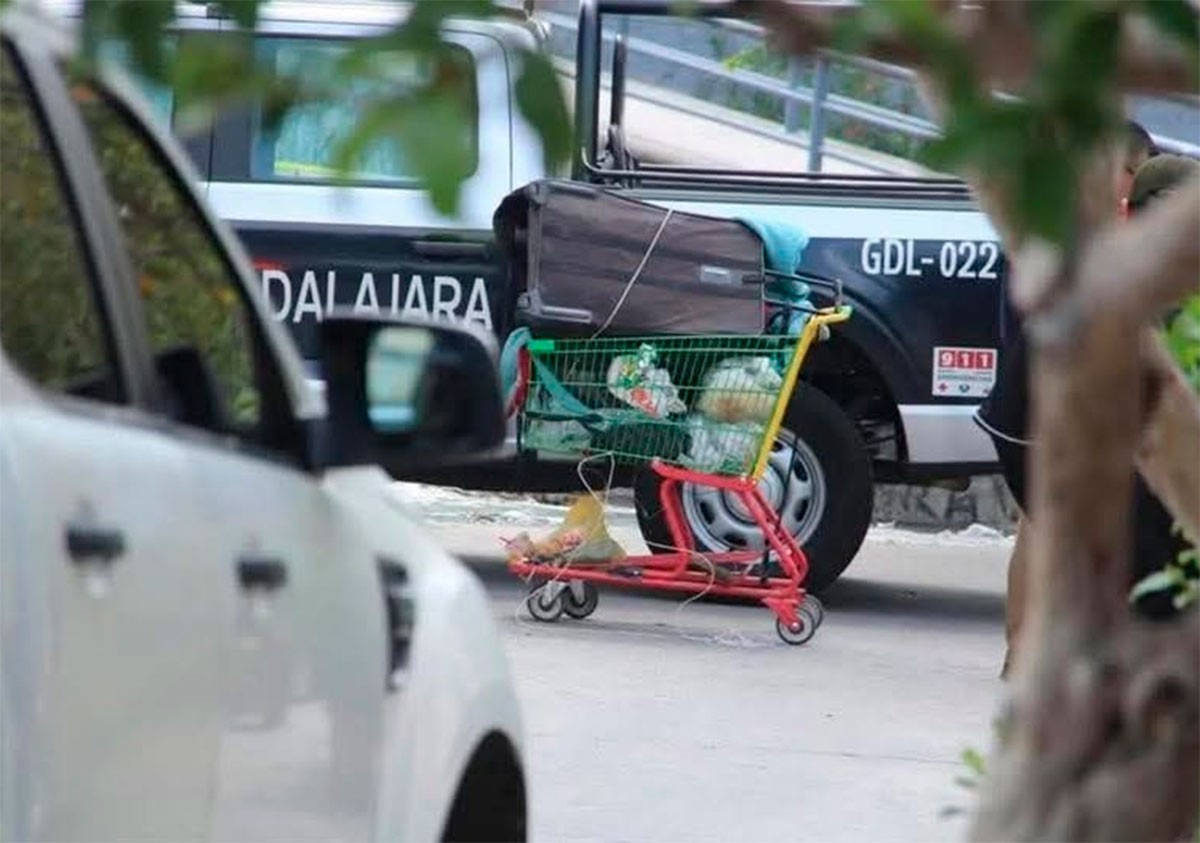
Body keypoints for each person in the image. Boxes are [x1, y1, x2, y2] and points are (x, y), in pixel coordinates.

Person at [977, 121, 1176, 676]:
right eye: (1129, 171)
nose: (1130, 187)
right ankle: (1027, 657)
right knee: (1042, 534)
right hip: (1046, 412)